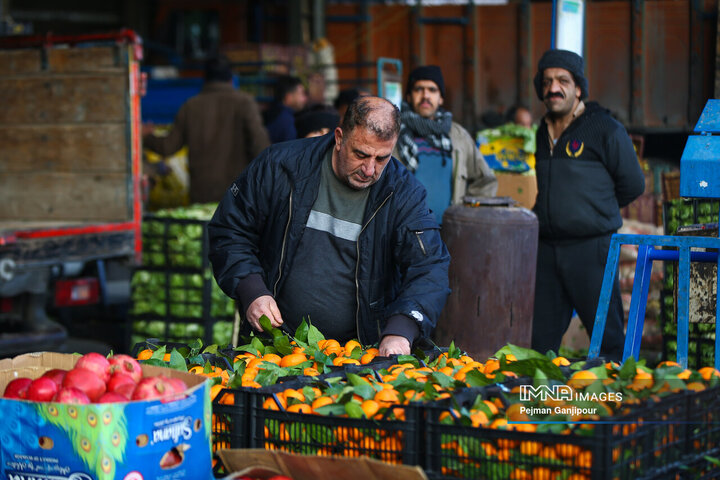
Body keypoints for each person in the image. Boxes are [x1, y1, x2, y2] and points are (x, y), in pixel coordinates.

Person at [208, 96, 451, 356]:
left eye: (382, 158)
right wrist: (252, 291)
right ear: (339, 138)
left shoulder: (404, 194)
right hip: (273, 348)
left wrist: (401, 330)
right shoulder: (280, 167)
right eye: (361, 154)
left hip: (361, 355)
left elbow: (429, 267)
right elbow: (231, 231)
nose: (370, 170)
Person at [531, 49, 645, 360]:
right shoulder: (542, 131)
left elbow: (634, 184)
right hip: (548, 250)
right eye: (547, 81)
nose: (554, 87)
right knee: (538, 342)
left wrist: (593, 213)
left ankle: (614, 404)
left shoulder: (604, 128)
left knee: (606, 339)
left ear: (578, 88)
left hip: (591, 249)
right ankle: (537, 404)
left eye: (563, 81)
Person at [142, 55, 270, 204]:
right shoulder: (245, 103)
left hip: (202, 194)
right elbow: (261, 147)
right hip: (238, 194)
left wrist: (146, 136)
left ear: (205, 79)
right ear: (230, 79)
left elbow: (168, 146)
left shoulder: (190, 106)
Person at [395, 65, 497, 225]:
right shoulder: (393, 134)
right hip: (404, 235)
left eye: (432, 90)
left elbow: (486, 181)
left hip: (450, 236)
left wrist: (466, 215)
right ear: (408, 96)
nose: (425, 95)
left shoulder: (458, 136)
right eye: (418, 89)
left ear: (441, 98)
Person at [263, 75, 308, 143]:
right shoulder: (286, 121)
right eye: (301, 94)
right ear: (288, 97)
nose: (305, 99)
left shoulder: (272, 113)